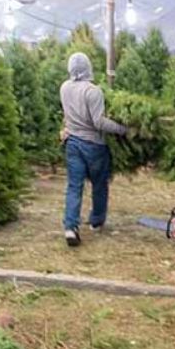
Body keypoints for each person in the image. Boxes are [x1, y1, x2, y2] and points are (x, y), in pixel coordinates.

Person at [60, 52, 128, 247]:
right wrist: (122, 129)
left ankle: (70, 227)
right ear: (88, 68)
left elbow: (67, 114)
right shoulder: (93, 91)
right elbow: (98, 122)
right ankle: (96, 221)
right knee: (99, 184)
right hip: (94, 146)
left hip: (72, 143)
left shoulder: (64, 87)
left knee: (74, 186)